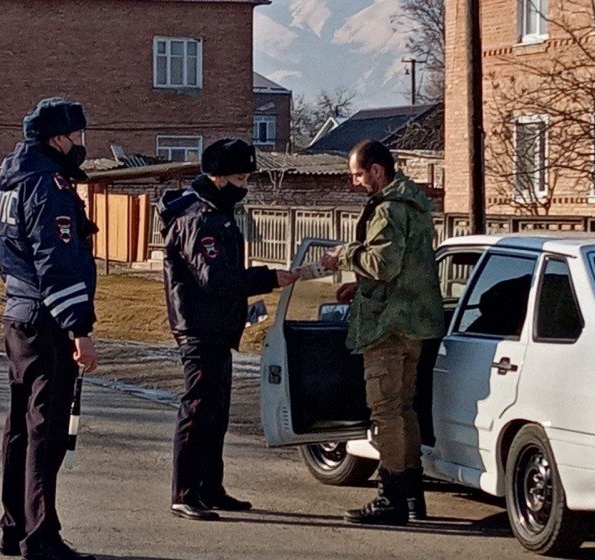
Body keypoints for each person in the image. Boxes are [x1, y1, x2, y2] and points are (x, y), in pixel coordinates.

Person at [158, 138, 299, 521]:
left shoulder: (217, 213)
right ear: (219, 177)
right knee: (198, 406)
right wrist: (269, 277)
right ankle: (185, 491)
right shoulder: (198, 218)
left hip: (218, 326)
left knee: (216, 411)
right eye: (240, 177)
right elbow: (216, 279)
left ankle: (210, 487)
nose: (245, 185)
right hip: (198, 326)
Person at [0, 97, 98, 560]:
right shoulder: (47, 184)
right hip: (46, 321)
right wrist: (79, 329)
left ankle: (13, 527)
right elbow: (56, 261)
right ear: (58, 138)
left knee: (19, 427)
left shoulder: (13, 179)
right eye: (77, 137)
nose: (81, 145)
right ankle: (42, 536)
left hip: (18, 316)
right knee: (45, 431)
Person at [321, 139, 443, 525]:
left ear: (377, 170)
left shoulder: (388, 210)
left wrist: (343, 254)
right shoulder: (416, 206)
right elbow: (407, 268)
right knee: (404, 410)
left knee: (386, 412)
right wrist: (362, 287)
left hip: (388, 326)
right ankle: (411, 495)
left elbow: (383, 263)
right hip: (414, 321)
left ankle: (391, 496)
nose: (356, 182)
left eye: (359, 174)